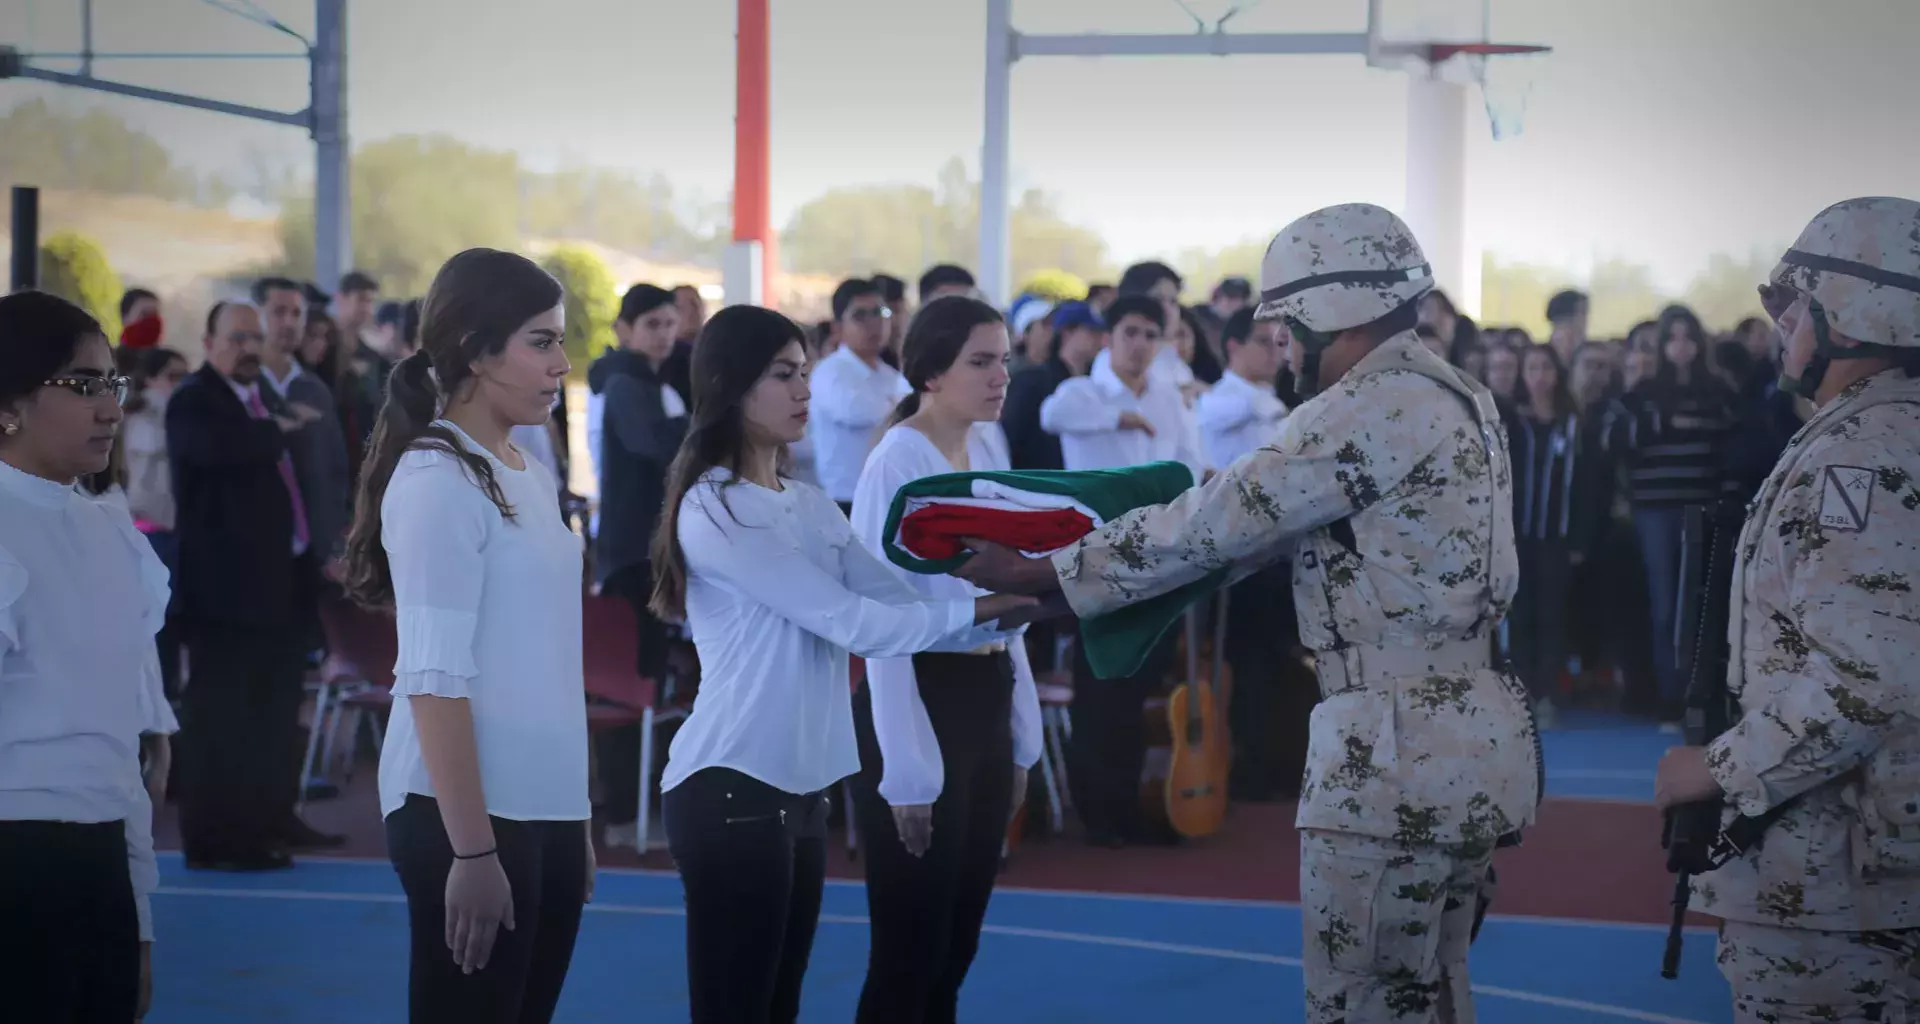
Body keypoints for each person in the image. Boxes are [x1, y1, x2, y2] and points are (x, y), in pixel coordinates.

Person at [955, 203, 1539, 1021]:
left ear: (1331, 312)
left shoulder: (1372, 404)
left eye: (1287, 324)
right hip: (1467, 733)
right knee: (1430, 991)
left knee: (1364, 1002)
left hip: (1395, 743)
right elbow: (1253, 543)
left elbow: (1221, 517)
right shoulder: (1456, 393)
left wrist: (1040, 567)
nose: (1283, 347)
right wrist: (1061, 593)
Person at [647, 305, 1038, 1024]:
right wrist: (991, 605)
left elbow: (907, 604)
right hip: (731, 784)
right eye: (783, 375)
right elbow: (857, 623)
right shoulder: (715, 509)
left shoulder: (809, 503)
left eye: (804, 373)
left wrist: (1034, 591)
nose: (804, 390)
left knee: (779, 1005)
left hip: (802, 793)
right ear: (732, 386)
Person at [1655, 196, 1920, 1023]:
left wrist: (1716, 768)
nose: (1779, 326)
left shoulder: (1863, 459)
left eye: (1793, 306)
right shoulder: (1877, 438)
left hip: (1838, 886)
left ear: (1850, 315)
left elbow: (1866, 678)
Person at [341, 249, 592, 1023]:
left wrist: (570, 816)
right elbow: (431, 679)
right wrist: (474, 850)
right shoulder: (437, 480)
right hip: (466, 813)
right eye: (541, 341)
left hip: (538, 803)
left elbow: (544, 657)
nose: (562, 362)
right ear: (479, 352)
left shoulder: (519, 466)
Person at [846, 296, 1045, 1023]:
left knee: (958, 942)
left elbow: (1013, 594)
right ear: (930, 372)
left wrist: (1023, 736)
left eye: (1005, 362)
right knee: (911, 947)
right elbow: (883, 620)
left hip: (984, 696)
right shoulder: (897, 461)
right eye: (981, 362)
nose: (1000, 379)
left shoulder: (989, 448)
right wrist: (905, 770)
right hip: (920, 703)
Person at [0, 290, 176, 1022]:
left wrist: (137, 925)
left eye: (113, 385)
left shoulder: (110, 533)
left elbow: (122, 759)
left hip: (100, 864)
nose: (109, 408)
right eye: (81, 386)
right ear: (8, 404)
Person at [168, 300, 333, 869]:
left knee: (271, 712)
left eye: (254, 339)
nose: (247, 348)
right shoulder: (194, 399)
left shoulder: (259, 400)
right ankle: (217, 840)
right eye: (236, 337)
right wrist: (276, 430)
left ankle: (269, 821)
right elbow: (215, 451)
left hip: (277, 586)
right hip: (224, 597)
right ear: (209, 341)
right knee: (220, 722)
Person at [587, 284, 688, 848]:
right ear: (625, 329)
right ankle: (624, 815)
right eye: (652, 323)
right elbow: (655, 446)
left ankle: (631, 807)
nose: (664, 333)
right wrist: (703, 429)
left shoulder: (652, 383)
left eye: (670, 323)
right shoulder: (626, 383)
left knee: (645, 679)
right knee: (628, 687)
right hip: (631, 556)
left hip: (645, 554)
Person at [810, 279, 907, 514]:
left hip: (888, 496)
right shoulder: (830, 371)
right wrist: (896, 407)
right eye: (860, 315)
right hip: (845, 502)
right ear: (837, 327)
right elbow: (855, 411)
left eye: (879, 312)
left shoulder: (890, 374)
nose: (874, 323)